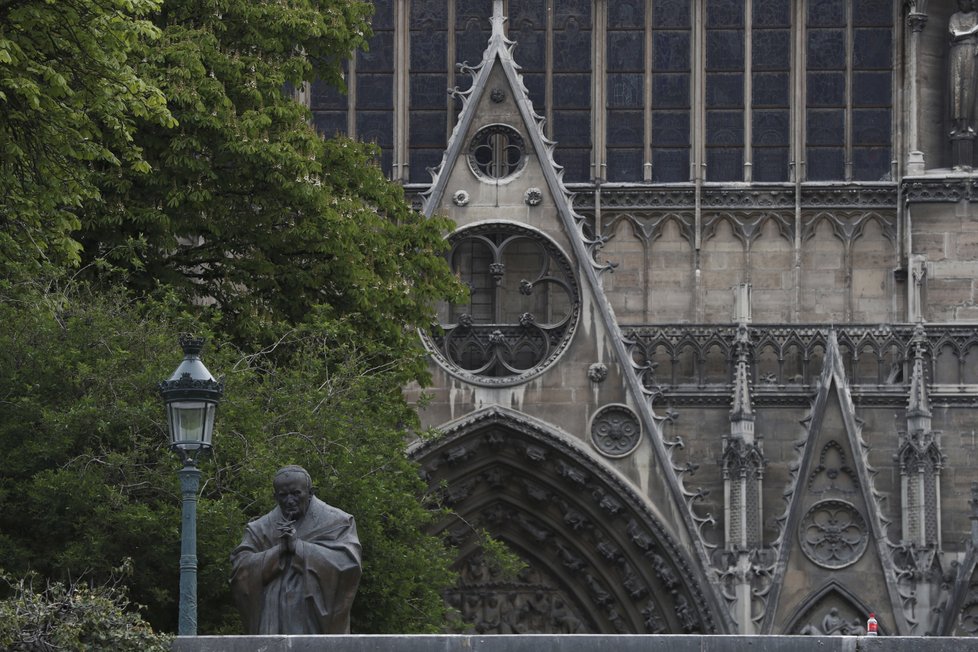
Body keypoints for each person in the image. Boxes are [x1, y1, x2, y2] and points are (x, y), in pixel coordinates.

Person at [230, 465, 362, 634]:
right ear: (275, 496)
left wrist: (298, 547)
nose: (289, 500)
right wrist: (278, 551)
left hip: (313, 621)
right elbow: (240, 569)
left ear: (310, 492)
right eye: (283, 495)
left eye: (296, 493)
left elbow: (349, 563)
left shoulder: (337, 521)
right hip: (272, 620)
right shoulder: (260, 528)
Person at [949, 0, 978, 138]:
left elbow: (958, 34)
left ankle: (968, 123)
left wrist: (963, 34)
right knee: (956, 88)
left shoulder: (976, 16)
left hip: (972, 52)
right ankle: (957, 124)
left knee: (969, 88)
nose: (961, 3)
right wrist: (972, 31)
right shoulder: (954, 17)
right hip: (957, 53)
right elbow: (954, 34)